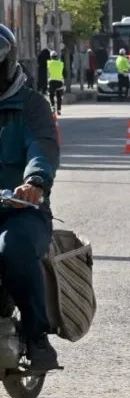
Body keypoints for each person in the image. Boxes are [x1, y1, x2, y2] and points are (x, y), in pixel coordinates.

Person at [0, 24, 61, 372]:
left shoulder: (31, 105)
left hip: (21, 210)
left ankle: (37, 337)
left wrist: (35, 181)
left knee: (14, 248)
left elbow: (42, 146)